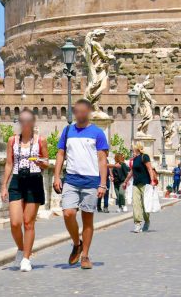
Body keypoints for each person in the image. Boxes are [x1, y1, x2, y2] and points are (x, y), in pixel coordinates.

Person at [53, 99, 109, 270]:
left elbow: (102, 159)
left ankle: (85, 255)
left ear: (89, 112)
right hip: (71, 179)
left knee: (87, 219)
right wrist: (56, 176)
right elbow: (60, 154)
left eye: (83, 111)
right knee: (68, 213)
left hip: (91, 181)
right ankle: (77, 243)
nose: (79, 114)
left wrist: (103, 183)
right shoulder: (67, 130)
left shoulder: (98, 133)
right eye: (77, 111)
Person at [1, 108, 48, 272]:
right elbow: (9, 163)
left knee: (28, 222)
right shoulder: (12, 140)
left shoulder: (41, 140)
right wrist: (4, 185)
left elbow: (46, 162)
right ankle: (21, 248)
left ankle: (26, 258)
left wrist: (40, 162)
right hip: (17, 180)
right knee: (15, 223)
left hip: (34, 180)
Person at [122, 141, 158, 233]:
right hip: (136, 184)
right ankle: (137, 223)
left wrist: (152, 181)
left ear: (137, 148)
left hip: (145, 183)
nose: (132, 149)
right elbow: (132, 171)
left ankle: (147, 221)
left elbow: (149, 169)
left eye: (133, 147)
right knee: (136, 204)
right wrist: (125, 182)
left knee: (145, 204)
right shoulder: (135, 159)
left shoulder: (144, 156)